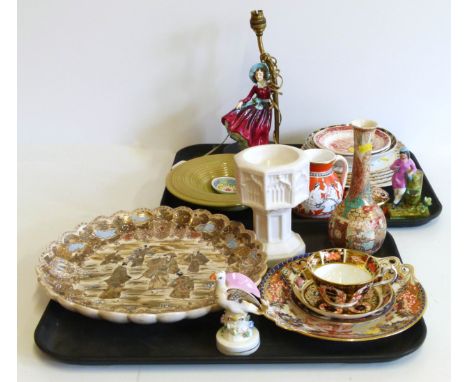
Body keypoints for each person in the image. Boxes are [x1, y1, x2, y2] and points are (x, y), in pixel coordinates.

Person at [221, 63, 272, 148]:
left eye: (260, 74)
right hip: (257, 109)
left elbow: (274, 96)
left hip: (266, 110)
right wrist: (241, 102)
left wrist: (273, 104)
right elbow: (249, 97)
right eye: (256, 75)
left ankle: (262, 147)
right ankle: (252, 145)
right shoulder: (255, 87)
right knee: (254, 127)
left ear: (264, 74)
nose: (258, 76)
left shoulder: (269, 86)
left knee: (264, 128)